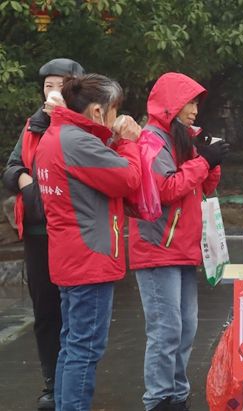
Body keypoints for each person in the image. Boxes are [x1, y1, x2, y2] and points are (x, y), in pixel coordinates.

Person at [34, 73, 142, 411]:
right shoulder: (77, 142)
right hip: (89, 258)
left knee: (72, 345)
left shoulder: (56, 136)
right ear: (97, 111)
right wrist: (128, 143)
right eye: (114, 110)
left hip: (71, 254)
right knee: (85, 349)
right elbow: (128, 178)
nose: (115, 118)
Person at [127, 72, 229, 411]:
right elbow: (167, 189)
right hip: (158, 247)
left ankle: (177, 395)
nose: (195, 111)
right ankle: (158, 398)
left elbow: (205, 187)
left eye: (197, 104)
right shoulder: (152, 141)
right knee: (166, 329)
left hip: (182, 248)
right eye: (189, 103)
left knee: (185, 327)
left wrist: (209, 161)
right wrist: (204, 160)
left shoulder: (180, 138)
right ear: (172, 104)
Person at [2, 58, 84, 410]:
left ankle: (74, 381)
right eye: (48, 86)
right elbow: (11, 168)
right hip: (39, 233)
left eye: (60, 86)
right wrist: (29, 184)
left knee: (77, 312)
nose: (53, 92)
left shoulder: (84, 125)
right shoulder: (33, 125)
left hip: (75, 232)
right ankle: (51, 382)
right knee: (46, 310)